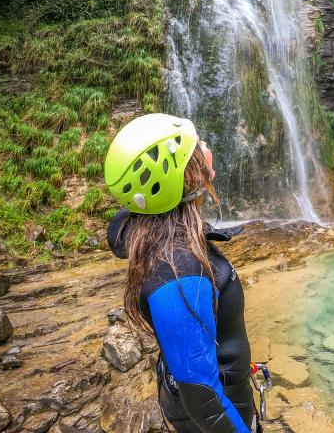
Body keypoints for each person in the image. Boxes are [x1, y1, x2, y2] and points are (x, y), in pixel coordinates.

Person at [103, 113, 258, 432]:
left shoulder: (164, 236)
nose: (204, 145)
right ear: (184, 175)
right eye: (196, 145)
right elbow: (205, 404)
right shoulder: (179, 270)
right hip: (216, 412)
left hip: (215, 393)